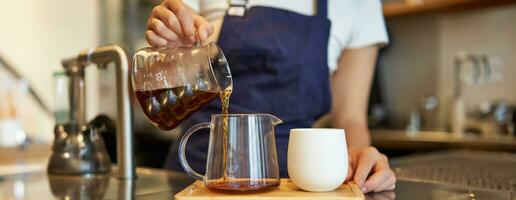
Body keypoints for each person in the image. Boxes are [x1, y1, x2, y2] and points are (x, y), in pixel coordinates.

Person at [146, 0, 396, 193]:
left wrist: (362, 159)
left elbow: (351, 120)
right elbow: (161, 93)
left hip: (296, 185)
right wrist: (168, 57)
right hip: (196, 179)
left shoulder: (359, 4)